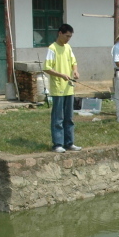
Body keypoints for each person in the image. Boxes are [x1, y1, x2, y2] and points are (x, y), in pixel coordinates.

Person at [43, 23, 80, 153]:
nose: (68, 39)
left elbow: (74, 62)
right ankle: (58, 144)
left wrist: (74, 71)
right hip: (58, 88)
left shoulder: (68, 48)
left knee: (69, 117)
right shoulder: (52, 49)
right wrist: (61, 75)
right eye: (66, 36)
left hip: (69, 88)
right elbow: (47, 68)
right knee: (58, 118)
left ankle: (69, 143)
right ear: (60, 33)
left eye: (70, 37)